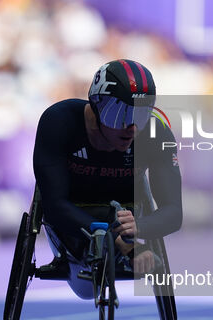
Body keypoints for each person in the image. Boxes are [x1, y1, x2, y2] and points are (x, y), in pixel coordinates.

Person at [33, 59, 182, 280]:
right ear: (96, 106)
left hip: (125, 215)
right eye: (119, 114)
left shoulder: (157, 133)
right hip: (72, 213)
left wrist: (139, 227)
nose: (131, 128)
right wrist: (118, 241)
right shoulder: (58, 121)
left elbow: (173, 213)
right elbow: (54, 206)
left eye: (140, 115)